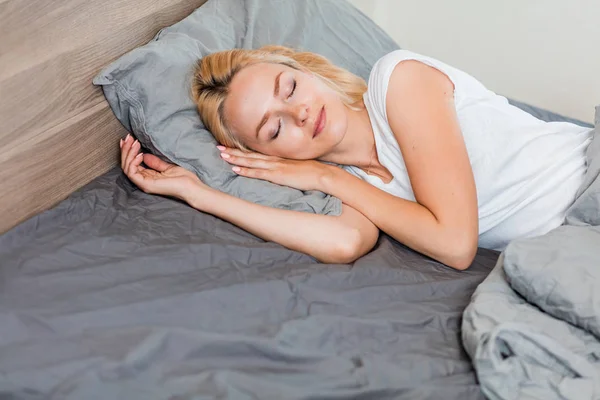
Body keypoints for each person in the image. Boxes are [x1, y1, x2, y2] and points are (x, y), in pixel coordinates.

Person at [119, 45, 593, 270]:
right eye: (275, 127)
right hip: (577, 244)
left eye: (289, 87)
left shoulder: (399, 82)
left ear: (305, 69)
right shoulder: (348, 179)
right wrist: (200, 195)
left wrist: (333, 182)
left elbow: (455, 244)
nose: (300, 112)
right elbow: (343, 243)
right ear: (264, 155)